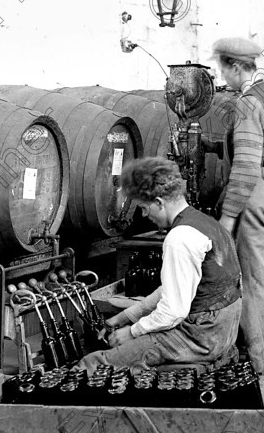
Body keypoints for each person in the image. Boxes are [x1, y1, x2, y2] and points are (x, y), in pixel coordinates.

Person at [77, 157, 242, 374]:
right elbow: (173, 288)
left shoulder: (179, 237)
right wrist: (124, 317)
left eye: (144, 208)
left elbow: (173, 311)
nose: (145, 216)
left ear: (159, 202)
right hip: (221, 331)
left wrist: (132, 332)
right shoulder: (207, 223)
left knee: (96, 364)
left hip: (200, 337)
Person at [211, 37, 264, 376]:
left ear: (236, 67)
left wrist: (226, 219)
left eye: (224, 69)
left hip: (251, 193)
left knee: (253, 279)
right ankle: (261, 356)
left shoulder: (246, 104)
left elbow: (243, 168)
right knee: (257, 276)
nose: (223, 77)